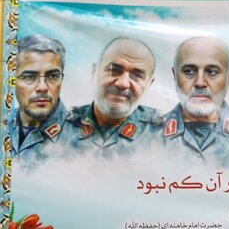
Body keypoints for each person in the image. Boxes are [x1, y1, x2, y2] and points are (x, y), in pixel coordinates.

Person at [64, 36, 159, 155]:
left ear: (149, 84)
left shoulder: (161, 134)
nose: (123, 83)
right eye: (114, 70)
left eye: (137, 76)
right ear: (94, 72)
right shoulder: (62, 126)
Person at [157, 36, 229, 165]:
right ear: (175, 75)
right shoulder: (149, 134)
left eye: (212, 72)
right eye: (189, 71)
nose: (200, 83)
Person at [9, 35, 68, 167]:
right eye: (29, 77)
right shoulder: (5, 122)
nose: (42, 87)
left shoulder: (82, 138)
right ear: (12, 81)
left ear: (61, 79)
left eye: (53, 76)